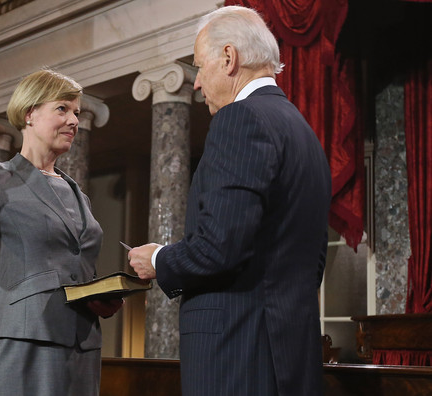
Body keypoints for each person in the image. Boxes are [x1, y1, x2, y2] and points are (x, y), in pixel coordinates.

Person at [128, 6, 331, 396]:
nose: (198, 84)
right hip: (290, 353)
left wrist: (158, 259)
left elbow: (220, 247)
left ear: (228, 58)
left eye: (200, 68)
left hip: (237, 355)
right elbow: (309, 260)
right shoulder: (303, 131)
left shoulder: (241, 119)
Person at [0, 69, 123, 396]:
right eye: (62, 109)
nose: (74, 120)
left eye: (77, 112)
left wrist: (101, 294)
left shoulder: (78, 195)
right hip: (25, 342)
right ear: (29, 113)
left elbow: (72, 265)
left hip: (82, 346)